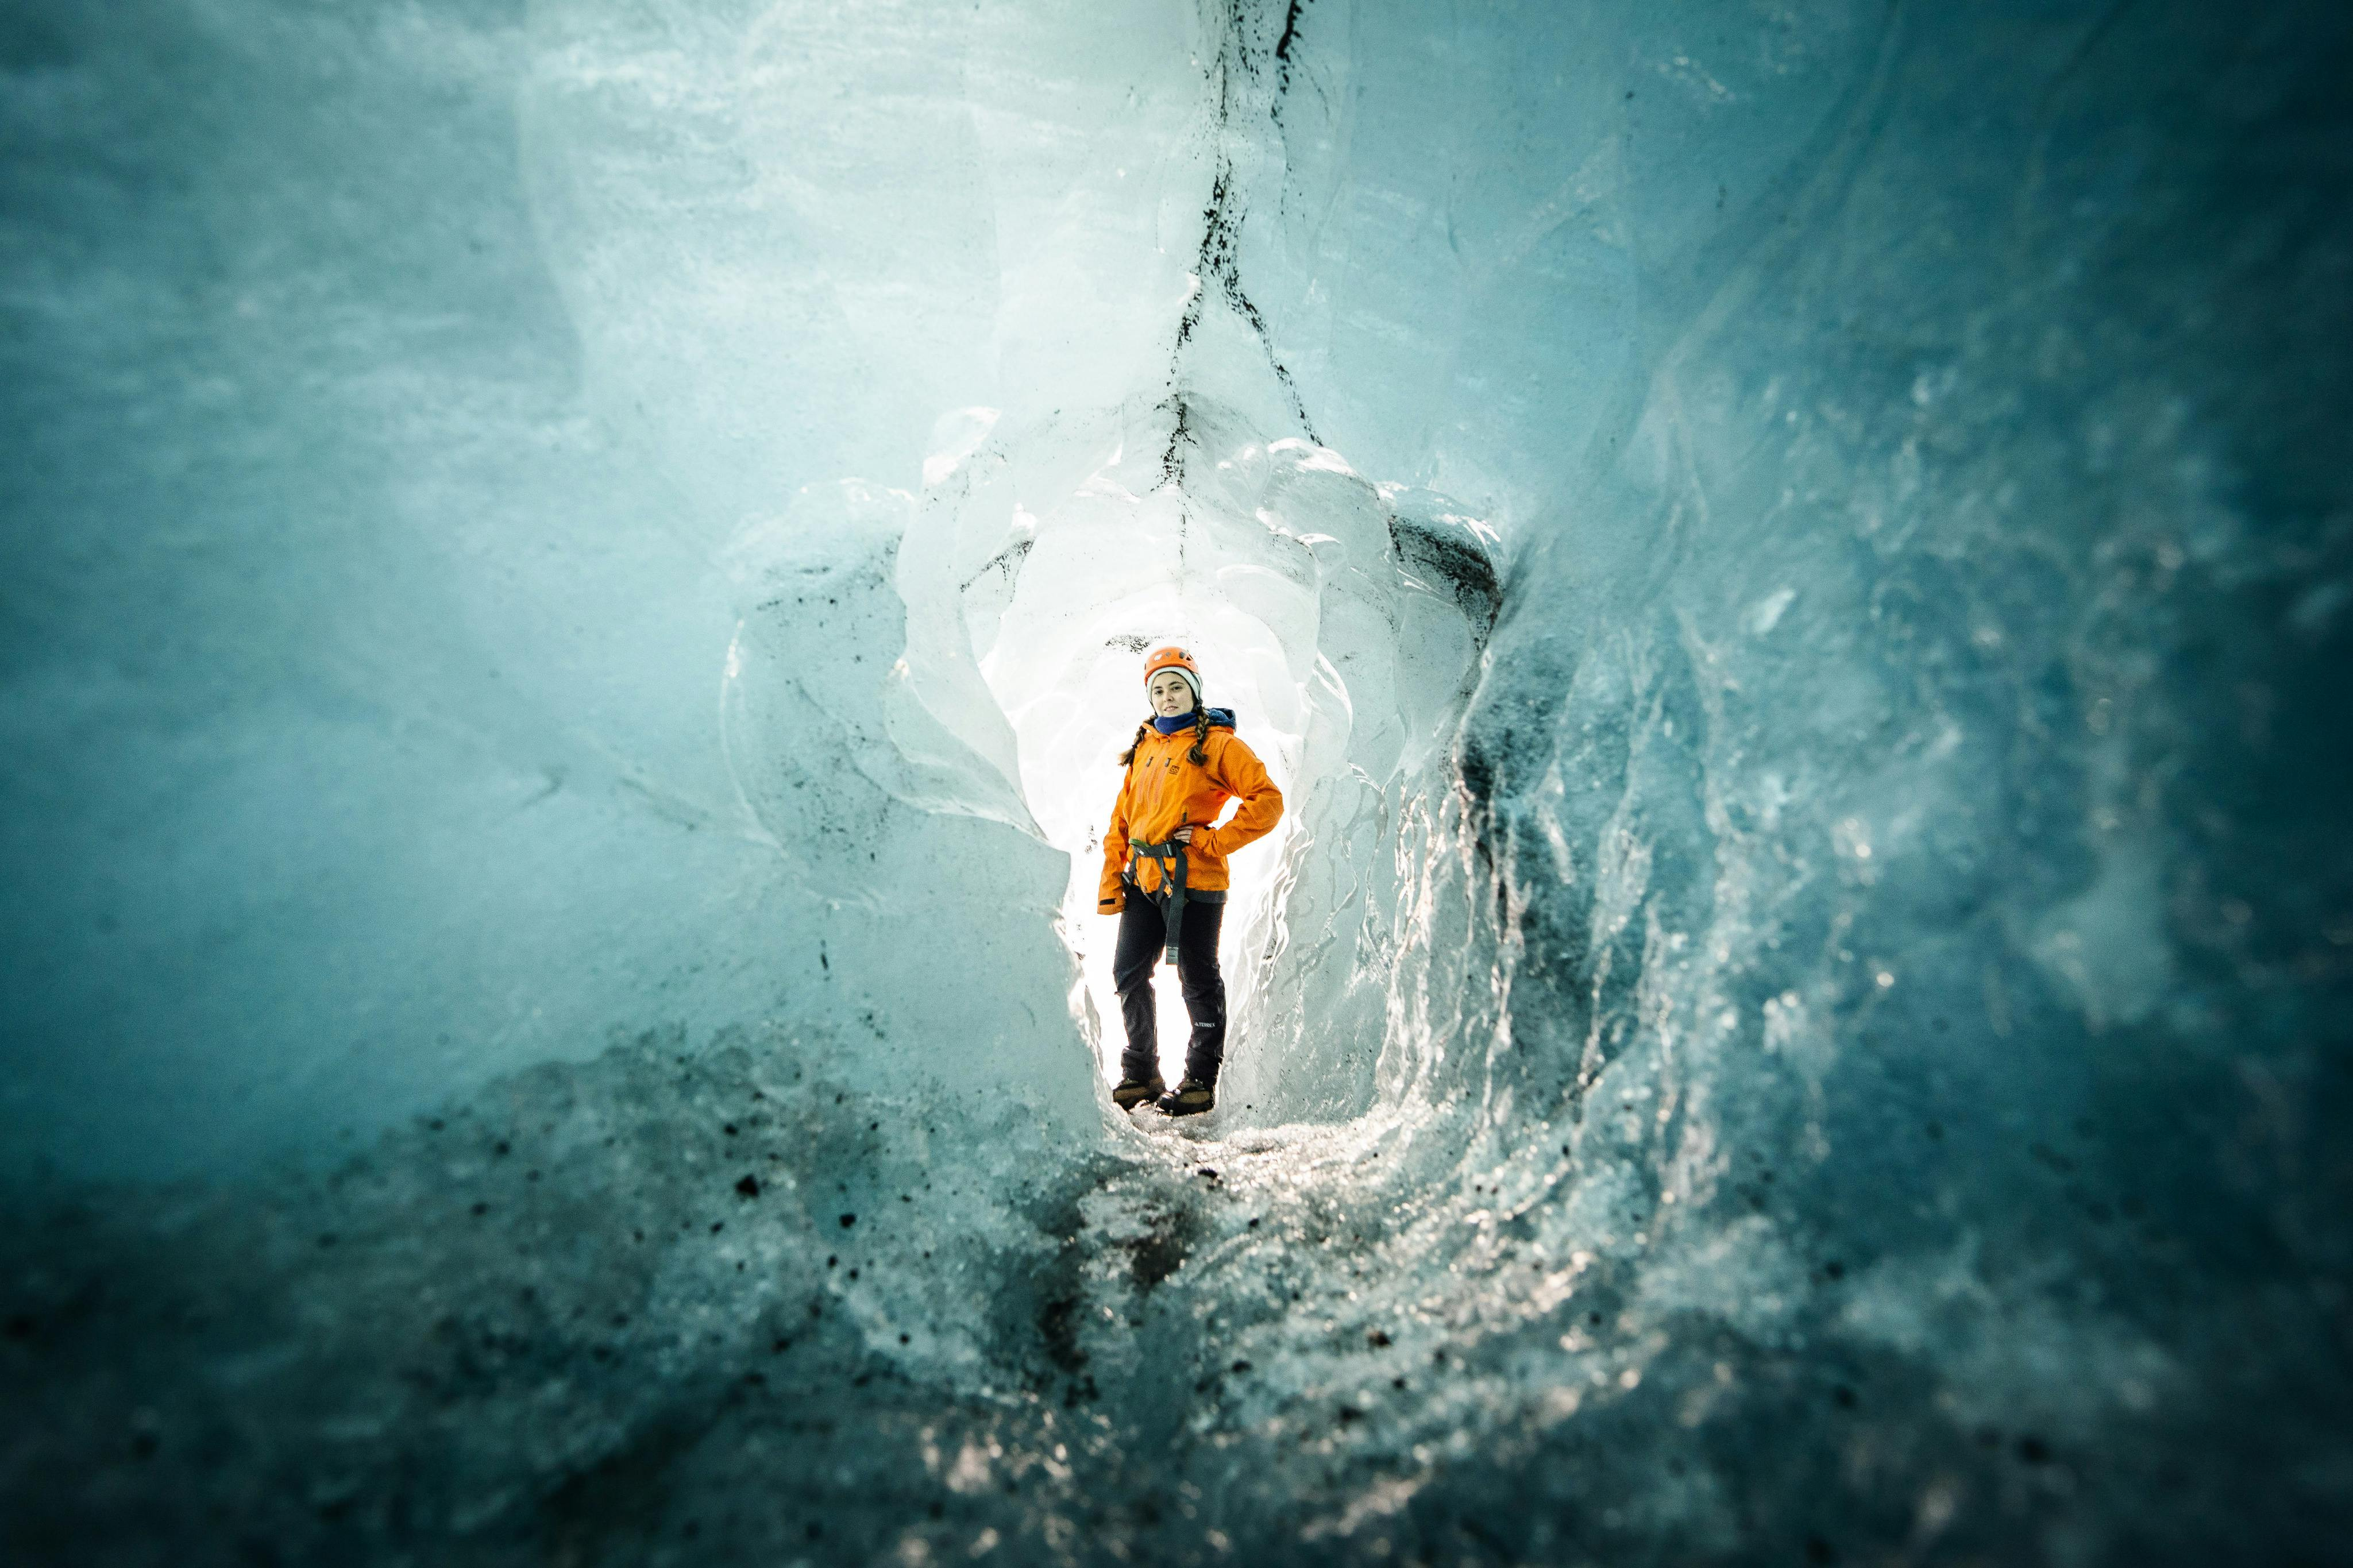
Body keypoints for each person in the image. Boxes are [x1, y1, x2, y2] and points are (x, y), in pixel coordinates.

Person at [1098, 646, 1284, 1116]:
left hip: (1194, 880)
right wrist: (1110, 880)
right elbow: (1122, 818)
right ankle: (1141, 1072)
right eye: (1158, 690)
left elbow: (1267, 801)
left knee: (1197, 978)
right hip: (1143, 880)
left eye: (1177, 686)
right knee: (1127, 973)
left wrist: (1213, 841)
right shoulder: (1144, 746)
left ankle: (1200, 1079)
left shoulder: (1219, 745)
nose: (1168, 696)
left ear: (1194, 691)